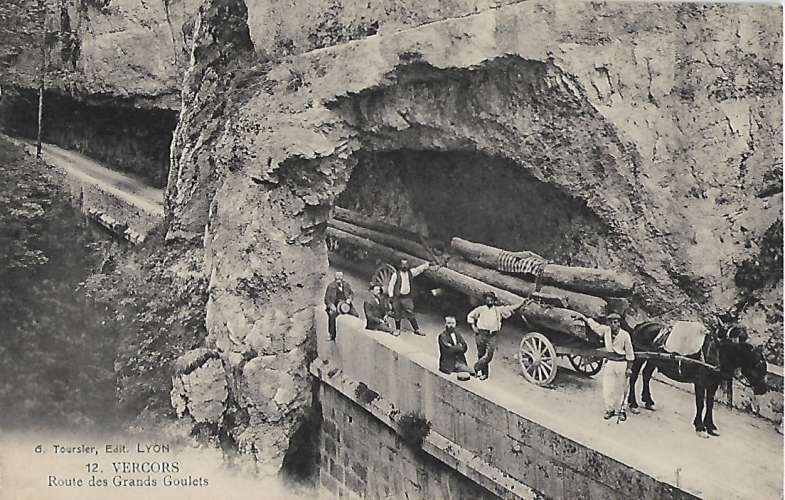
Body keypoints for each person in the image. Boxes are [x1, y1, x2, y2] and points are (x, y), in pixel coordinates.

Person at [580, 311, 635, 420]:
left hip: (622, 363)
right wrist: (586, 319)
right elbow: (596, 327)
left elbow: (630, 353)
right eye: (613, 322)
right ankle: (610, 409)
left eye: (617, 322)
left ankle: (621, 410)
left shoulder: (625, 335)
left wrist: (629, 368)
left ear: (619, 323)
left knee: (622, 388)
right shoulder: (606, 331)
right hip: (610, 363)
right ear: (609, 324)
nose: (615, 324)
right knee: (608, 387)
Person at [466, 291, 526, 380]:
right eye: (488, 299)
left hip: (492, 335)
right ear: (485, 300)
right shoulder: (480, 309)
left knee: (489, 355)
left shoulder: (498, 310)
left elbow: (510, 308)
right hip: (481, 333)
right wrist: (473, 326)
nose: (489, 301)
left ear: (494, 301)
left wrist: (521, 303)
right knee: (481, 353)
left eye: (491, 299)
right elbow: (470, 316)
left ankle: (476, 367)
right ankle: (483, 374)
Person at [387, 258, 430, 337]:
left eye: (406, 264)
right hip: (397, 297)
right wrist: (391, 297)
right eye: (403, 264)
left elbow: (419, 269)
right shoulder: (396, 275)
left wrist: (427, 265)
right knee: (397, 313)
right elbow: (391, 286)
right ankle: (397, 330)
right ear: (400, 265)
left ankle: (417, 330)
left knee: (410, 313)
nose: (404, 266)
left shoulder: (411, 273)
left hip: (407, 297)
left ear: (408, 265)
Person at [324, 271, 358, 341]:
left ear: (342, 277)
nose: (339, 278)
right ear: (335, 277)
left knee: (355, 314)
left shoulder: (346, 285)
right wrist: (331, 306)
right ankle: (332, 334)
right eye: (337, 276)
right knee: (332, 316)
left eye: (340, 276)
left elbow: (351, 293)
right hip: (336, 305)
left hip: (346, 304)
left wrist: (349, 299)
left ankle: (354, 335)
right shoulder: (331, 286)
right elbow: (326, 299)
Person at [438, 316, 475, 380]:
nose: (451, 325)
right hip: (449, 364)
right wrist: (459, 346)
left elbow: (465, 346)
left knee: (471, 372)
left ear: (455, 324)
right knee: (472, 372)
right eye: (449, 323)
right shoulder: (442, 336)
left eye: (452, 323)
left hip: (460, 361)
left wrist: (456, 347)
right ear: (445, 324)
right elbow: (448, 350)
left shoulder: (457, 334)